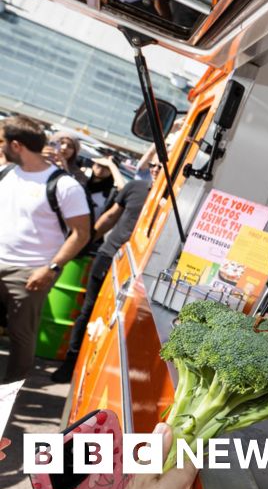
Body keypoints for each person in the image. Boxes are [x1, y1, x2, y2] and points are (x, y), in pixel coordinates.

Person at [50, 155, 158, 383]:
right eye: (153, 166)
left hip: (139, 269)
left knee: (118, 321)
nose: (156, 169)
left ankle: (96, 372)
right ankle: (70, 363)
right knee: (88, 310)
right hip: (108, 255)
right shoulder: (135, 187)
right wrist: (85, 242)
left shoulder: (174, 197)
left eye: (160, 166)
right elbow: (109, 218)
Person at [0, 116, 91, 381]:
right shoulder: (6, 173)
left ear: (16, 145)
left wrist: (51, 268)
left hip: (29, 273)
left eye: (2, 142)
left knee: (20, 337)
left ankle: (7, 396)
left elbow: (81, 233)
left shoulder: (64, 186)